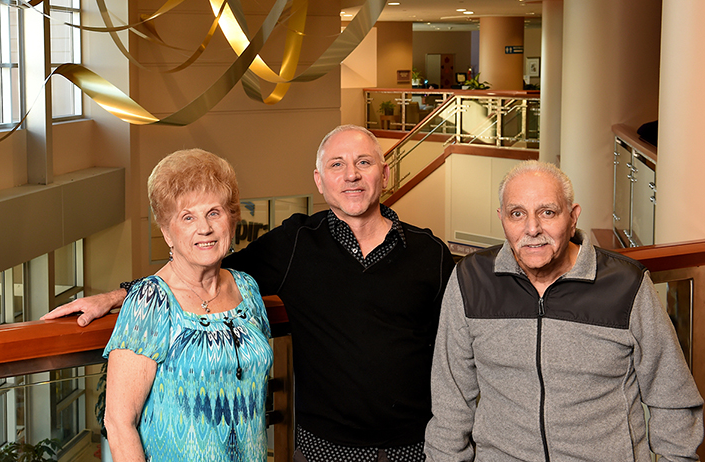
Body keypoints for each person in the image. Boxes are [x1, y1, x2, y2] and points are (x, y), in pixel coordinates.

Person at [45, 125, 455, 462]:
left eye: (364, 163)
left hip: (416, 444)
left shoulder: (430, 253)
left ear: (385, 173)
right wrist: (120, 295)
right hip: (323, 448)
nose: (351, 175)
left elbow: (462, 341)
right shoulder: (295, 243)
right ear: (320, 180)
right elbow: (188, 273)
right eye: (337, 164)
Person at [424, 161, 704, 462]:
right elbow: (450, 406)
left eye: (548, 212)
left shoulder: (626, 284)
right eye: (517, 214)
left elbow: (672, 398)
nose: (532, 229)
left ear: (572, 218)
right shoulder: (470, 280)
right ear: (501, 218)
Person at [102, 149, 273, 461]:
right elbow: (118, 423)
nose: (204, 228)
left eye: (214, 213)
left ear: (231, 221)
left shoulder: (246, 288)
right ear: (168, 231)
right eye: (188, 217)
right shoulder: (150, 301)